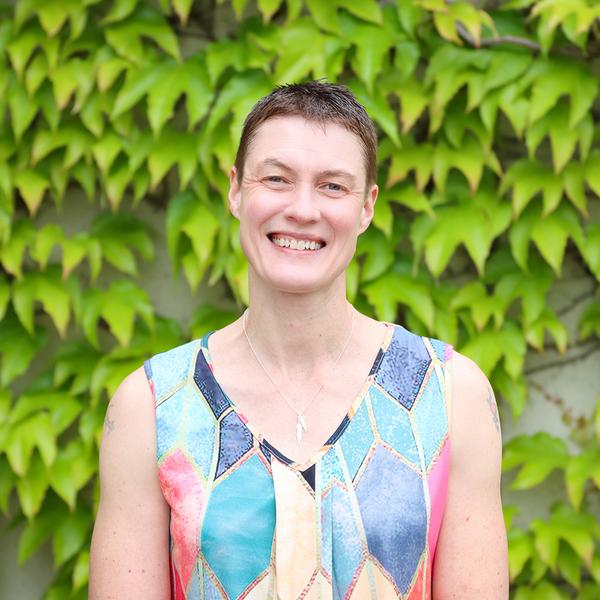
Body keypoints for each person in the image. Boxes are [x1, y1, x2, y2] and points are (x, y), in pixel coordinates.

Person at [89, 81, 508, 599]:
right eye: (277, 179)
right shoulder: (153, 406)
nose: (303, 210)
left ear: (367, 207)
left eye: (333, 186)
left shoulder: (448, 397)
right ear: (237, 190)